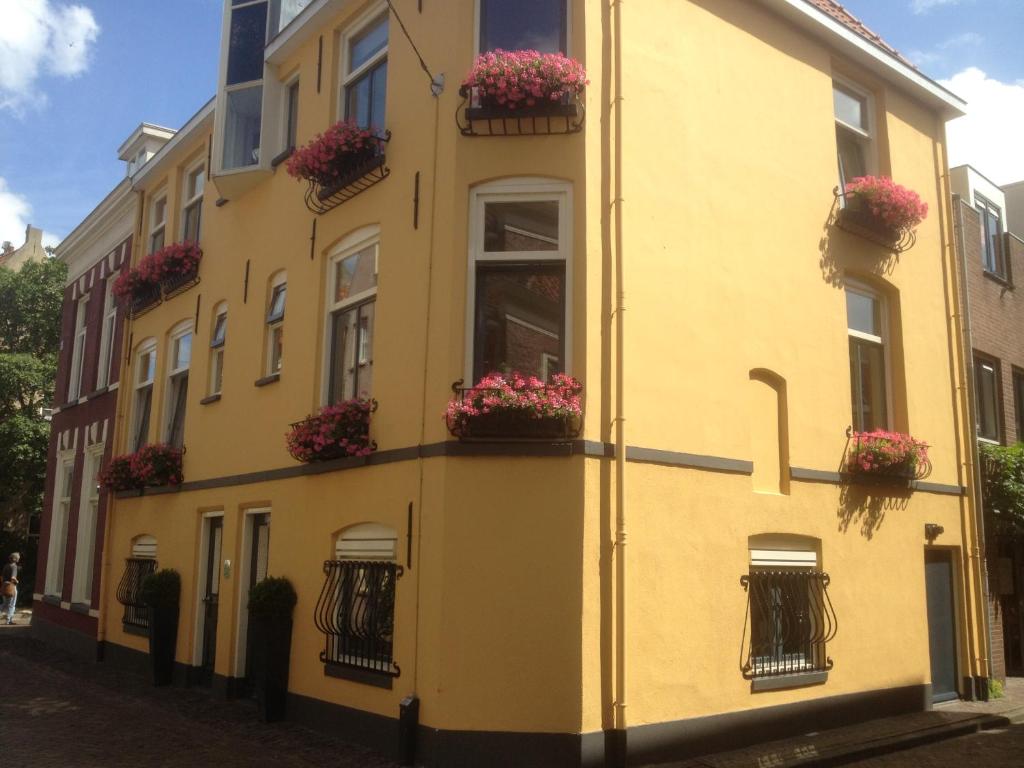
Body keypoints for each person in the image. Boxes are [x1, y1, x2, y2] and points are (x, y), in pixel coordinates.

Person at [2, 552, 20, 625]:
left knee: (5, 604)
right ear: (15, 559)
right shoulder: (14, 566)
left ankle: (9, 619)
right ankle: (8, 620)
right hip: (11, 587)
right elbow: (13, 578)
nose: (19, 559)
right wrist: (17, 581)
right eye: (18, 558)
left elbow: (2, 577)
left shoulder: (6, 566)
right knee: (11, 604)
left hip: (4, 586)